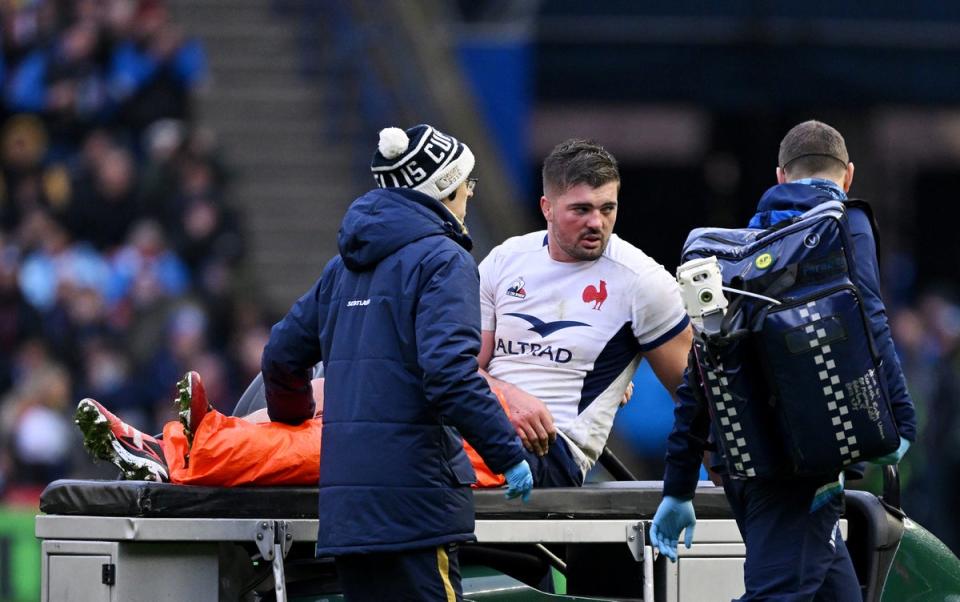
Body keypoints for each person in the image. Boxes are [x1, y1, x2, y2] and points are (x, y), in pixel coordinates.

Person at [259, 124, 533, 602]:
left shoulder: (341, 268)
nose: (470, 192)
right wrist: (507, 452)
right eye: (467, 182)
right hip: (416, 507)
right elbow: (449, 374)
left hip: (348, 514)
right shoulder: (445, 260)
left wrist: (293, 418)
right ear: (445, 189)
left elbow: (280, 357)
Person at [650, 120, 918, 601]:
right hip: (802, 468)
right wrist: (901, 421)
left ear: (779, 177)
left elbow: (701, 367)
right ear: (849, 175)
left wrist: (679, 483)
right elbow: (871, 321)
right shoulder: (842, 225)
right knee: (779, 594)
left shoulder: (735, 256)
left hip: (742, 462)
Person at [478, 138, 693, 486]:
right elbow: (466, 369)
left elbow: (700, 401)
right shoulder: (505, 259)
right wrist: (508, 398)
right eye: (581, 209)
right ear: (547, 207)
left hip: (549, 451)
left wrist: (725, 505)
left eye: (608, 208)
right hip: (479, 430)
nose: (597, 222)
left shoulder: (643, 282)